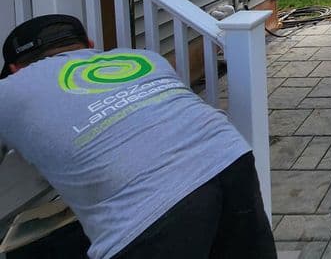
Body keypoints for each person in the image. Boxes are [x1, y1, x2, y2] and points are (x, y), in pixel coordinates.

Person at [0, 14, 276, 259]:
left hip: (148, 207)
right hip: (227, 156)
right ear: (89, 43)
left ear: (15, 70)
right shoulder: (141, 58)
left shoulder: (9, 91)